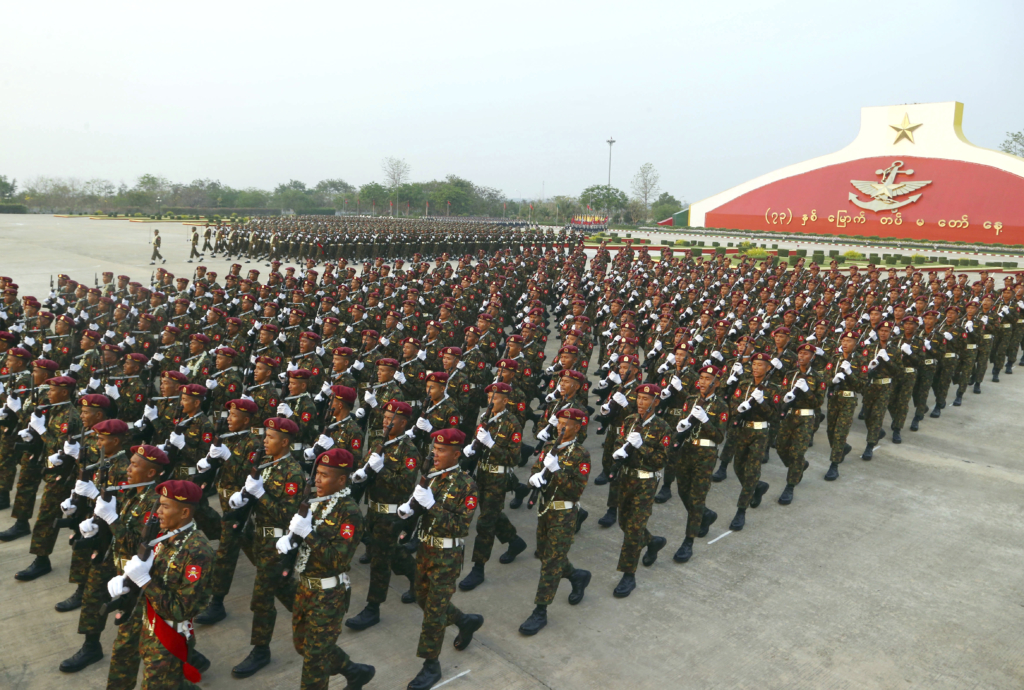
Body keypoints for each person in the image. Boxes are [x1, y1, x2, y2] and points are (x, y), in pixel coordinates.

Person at [275, 448, 376, 690]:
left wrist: (308, 533)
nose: (317, 480)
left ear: (341, 480)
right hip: (305, 588)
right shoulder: (316, 502)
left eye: (324, 475)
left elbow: (338, 560)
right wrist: (290, 540)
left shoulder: (349, 513)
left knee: (314, 663)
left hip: (328, 595)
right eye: (317, 474)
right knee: (303, 645)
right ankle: (354, 671)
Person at [106, 479, 215, 689]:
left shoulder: (197, 552)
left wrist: (144, 582)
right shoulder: (165, 535)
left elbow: (181, 610)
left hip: (169, 636)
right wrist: (129, 581)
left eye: (165, 506)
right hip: (148, 625)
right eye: (159, 505)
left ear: (184, 513)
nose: (158, 512)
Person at [397, 427, 483, 690]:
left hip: (447, 555)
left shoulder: (467, 485)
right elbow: (421, 510)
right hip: (425, 550)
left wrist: (432, 506)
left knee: (433, 614)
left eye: (441, 450)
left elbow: (460, 527)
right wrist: (409, 513)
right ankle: (465, 621)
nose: (435, 454)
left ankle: (430, 665)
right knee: (423, 600)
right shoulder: (432, 478)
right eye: (434, 448)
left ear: (456, 454)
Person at [227, 416, 304, 678]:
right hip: (259, 539)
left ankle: (261, 650)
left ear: (284, 442)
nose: (264, 441)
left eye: (270, 437)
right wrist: (242, 497)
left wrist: (261, 495)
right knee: (282, 587)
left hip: (276, 544)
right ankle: (312, 617)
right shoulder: (266, 464)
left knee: (261, 598)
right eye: (265, 436)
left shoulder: (293, 473)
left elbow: (288, 516)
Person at [345, 400, 420, 631]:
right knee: (389, 551)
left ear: (404, 423)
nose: (386, 422)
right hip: (373, 511)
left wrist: (382, 470)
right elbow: (366, 468)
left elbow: (406, 485)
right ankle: (418, 577)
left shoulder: (409, 450)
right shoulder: (379, 443)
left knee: (380, 562)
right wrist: (361, 474)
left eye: (391, 419)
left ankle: (373, 608)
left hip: (391, 516)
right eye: (385, 417)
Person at [519, 407, 592, 635]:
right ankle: (576, 575)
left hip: (564, 513)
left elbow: (576, 490)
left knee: (551, 562)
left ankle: (540, 611)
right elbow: (536, 468)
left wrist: (556, 470)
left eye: (566, 424)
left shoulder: (581, 454)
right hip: (545, 510)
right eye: (559, 422)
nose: (561, 427)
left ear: (577, 428)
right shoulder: (549, 447)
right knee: (546, 554)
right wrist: (534, 478)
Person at [458, 381, 526, 591]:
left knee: (485, 523)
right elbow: (478, 443)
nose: (490, 402)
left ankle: (478, 568)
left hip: (498, 478)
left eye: (494, 398)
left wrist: (491, 445)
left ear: (505, 401)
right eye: (488, 398)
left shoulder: (512, 424)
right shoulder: (485, 418)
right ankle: (514, 541)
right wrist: (472, 449)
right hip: (482, 474)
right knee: (492, 513)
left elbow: (514, 459)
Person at [608, 382, 670, 598]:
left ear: (656, 402)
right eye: (639, 398)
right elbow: (618, 442)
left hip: (646, 482)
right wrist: (619, 450)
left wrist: (641, 446)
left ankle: (628, 574)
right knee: (624, 523)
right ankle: (652, 542)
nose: (640, 403)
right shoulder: (629, 421)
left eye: (646, 399)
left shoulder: (663, 427)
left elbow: (661, 460)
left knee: (634, 529)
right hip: (626, 478)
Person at [670, 365, 728, 563]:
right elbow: (681, 424)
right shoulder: (690, 400)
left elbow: (719, 437)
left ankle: (688, 541)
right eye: (701, 377)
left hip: (705, 454)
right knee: (683, 491)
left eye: (708, 379)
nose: (703, 382)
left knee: (696, 498)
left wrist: (705, 421)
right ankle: (705, 514)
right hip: (687, 450)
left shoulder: (721, 406)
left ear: (717, 383)